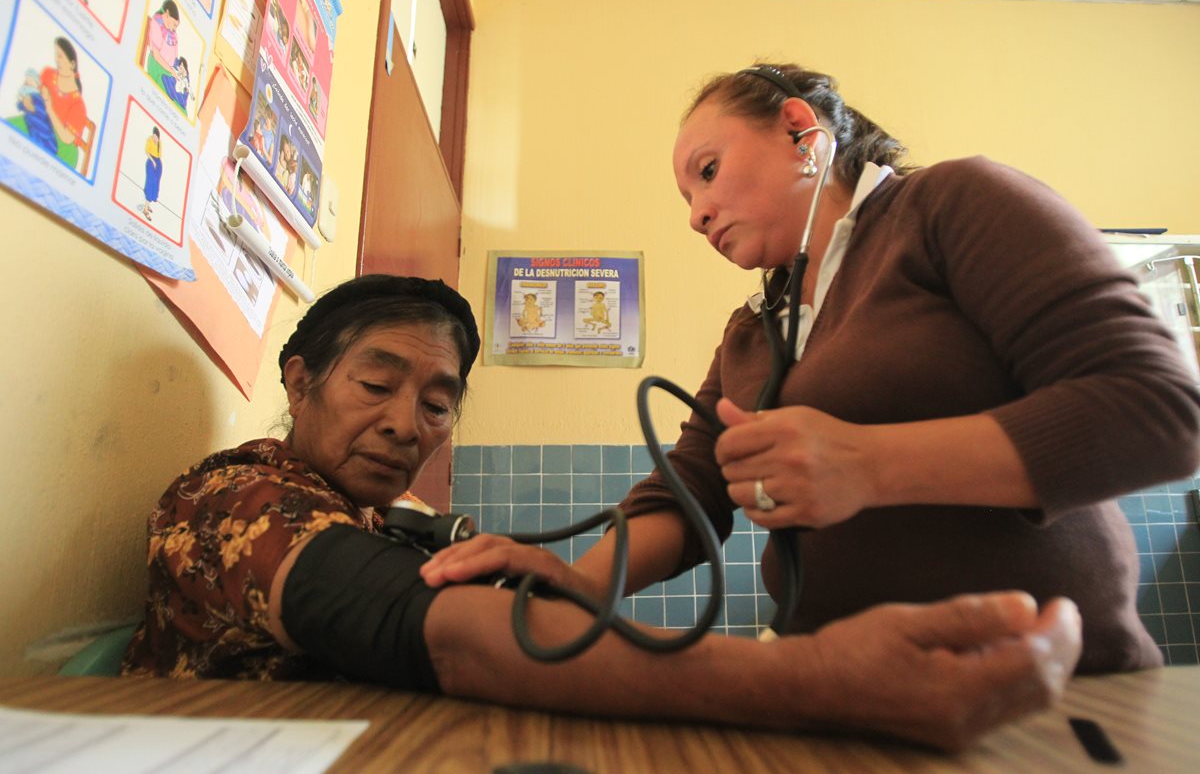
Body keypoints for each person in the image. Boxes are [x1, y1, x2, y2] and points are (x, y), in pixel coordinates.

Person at [421, 63, 1200, 675]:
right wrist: (581, 583)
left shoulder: (951, 206)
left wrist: (869, 465)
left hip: (1051, 683)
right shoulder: (752, 333)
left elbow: (1160, 411)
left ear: (801, 131)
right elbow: (688, 491)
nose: (694, 212)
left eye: (708, 169)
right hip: (843, 687)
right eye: (686, 196)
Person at [122, 274, 1081, 752]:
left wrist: (568, 583)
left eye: (437, 402)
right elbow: (440, 633)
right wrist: (819, 677)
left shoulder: (381, 514)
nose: (404, 424)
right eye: (377, 382)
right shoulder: (236, 498)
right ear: (300, 379)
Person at [7, 38, 88, 169]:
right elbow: (32, 90)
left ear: (72, 64)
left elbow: (66, 139)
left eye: (60, 56)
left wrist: (50, 108)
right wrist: (27, 98)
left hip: (62, 147)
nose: (57, 60)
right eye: (56, 56)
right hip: (36, 119)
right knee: (9, 128)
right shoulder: (49, 74)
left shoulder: (79, 106)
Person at [137, 127, 162, 221]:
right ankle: (145, 209)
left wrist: (157, 163)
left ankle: (148, 205)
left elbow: (159, 155)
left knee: (155, 185)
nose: (155, 138)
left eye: (156, 137)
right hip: (151, 162)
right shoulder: (149, 140)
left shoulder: (160, 143)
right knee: (150, 184)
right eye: (154, 136)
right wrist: (153, 161)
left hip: (158, 163)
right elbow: (147, 152)